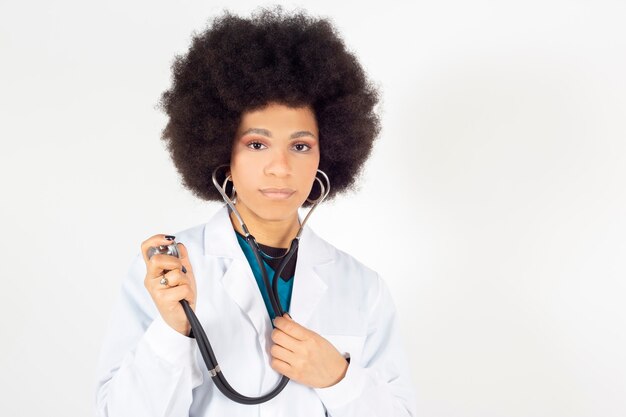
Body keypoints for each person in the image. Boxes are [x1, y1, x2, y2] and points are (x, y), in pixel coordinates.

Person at [95, 7, 416, 417]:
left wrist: (338, 377)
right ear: (221, 150)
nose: (281, 167)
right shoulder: (169, 276)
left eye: (300, 146)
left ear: (327, 153)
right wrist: (173, 331)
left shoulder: (362, 288)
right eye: (257, 144)